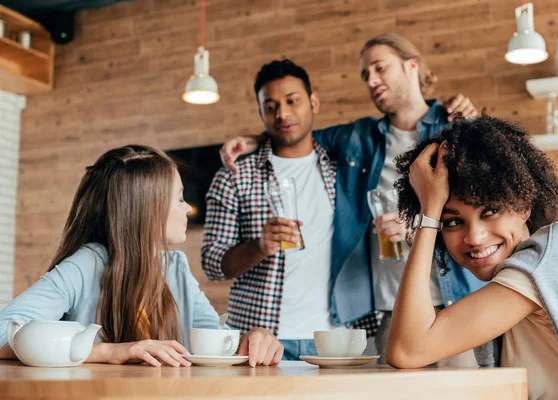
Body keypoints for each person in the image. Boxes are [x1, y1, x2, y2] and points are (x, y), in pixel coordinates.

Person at [219, 33, 485, 364]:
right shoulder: (362, 137)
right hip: (391, 309)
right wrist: (253, 139)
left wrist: (415, 228)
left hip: (454, 302)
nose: (371, 80)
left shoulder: (455, 128)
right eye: (365, 74)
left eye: (380, 68)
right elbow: (298, 132)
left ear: (412, 65)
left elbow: (481, 213)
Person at [0, 145, 282, 368]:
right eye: (180, 198)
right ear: (148, 208)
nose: (187, 209)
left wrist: (251, 339)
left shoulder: (176, 267)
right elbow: (3, 333)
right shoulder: (87, 264)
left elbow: (212, 339)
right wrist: (109, 351)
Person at [388, 113, 558, 399]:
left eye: (490, 212)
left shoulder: (544, 261)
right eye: (451, 222)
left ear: (524, 205)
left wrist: (429, 213)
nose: (474, 237)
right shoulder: (531, 270)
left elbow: (407, 349)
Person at [202, 60, 380, 361]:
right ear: (261, 113)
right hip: (259, 341)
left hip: (336, 339)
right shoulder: (234, 175)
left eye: (292, 101)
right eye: (270, 106)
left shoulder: (344, 169)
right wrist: (259, 247)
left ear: (314, 102)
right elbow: (212, 263)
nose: (282, 114)